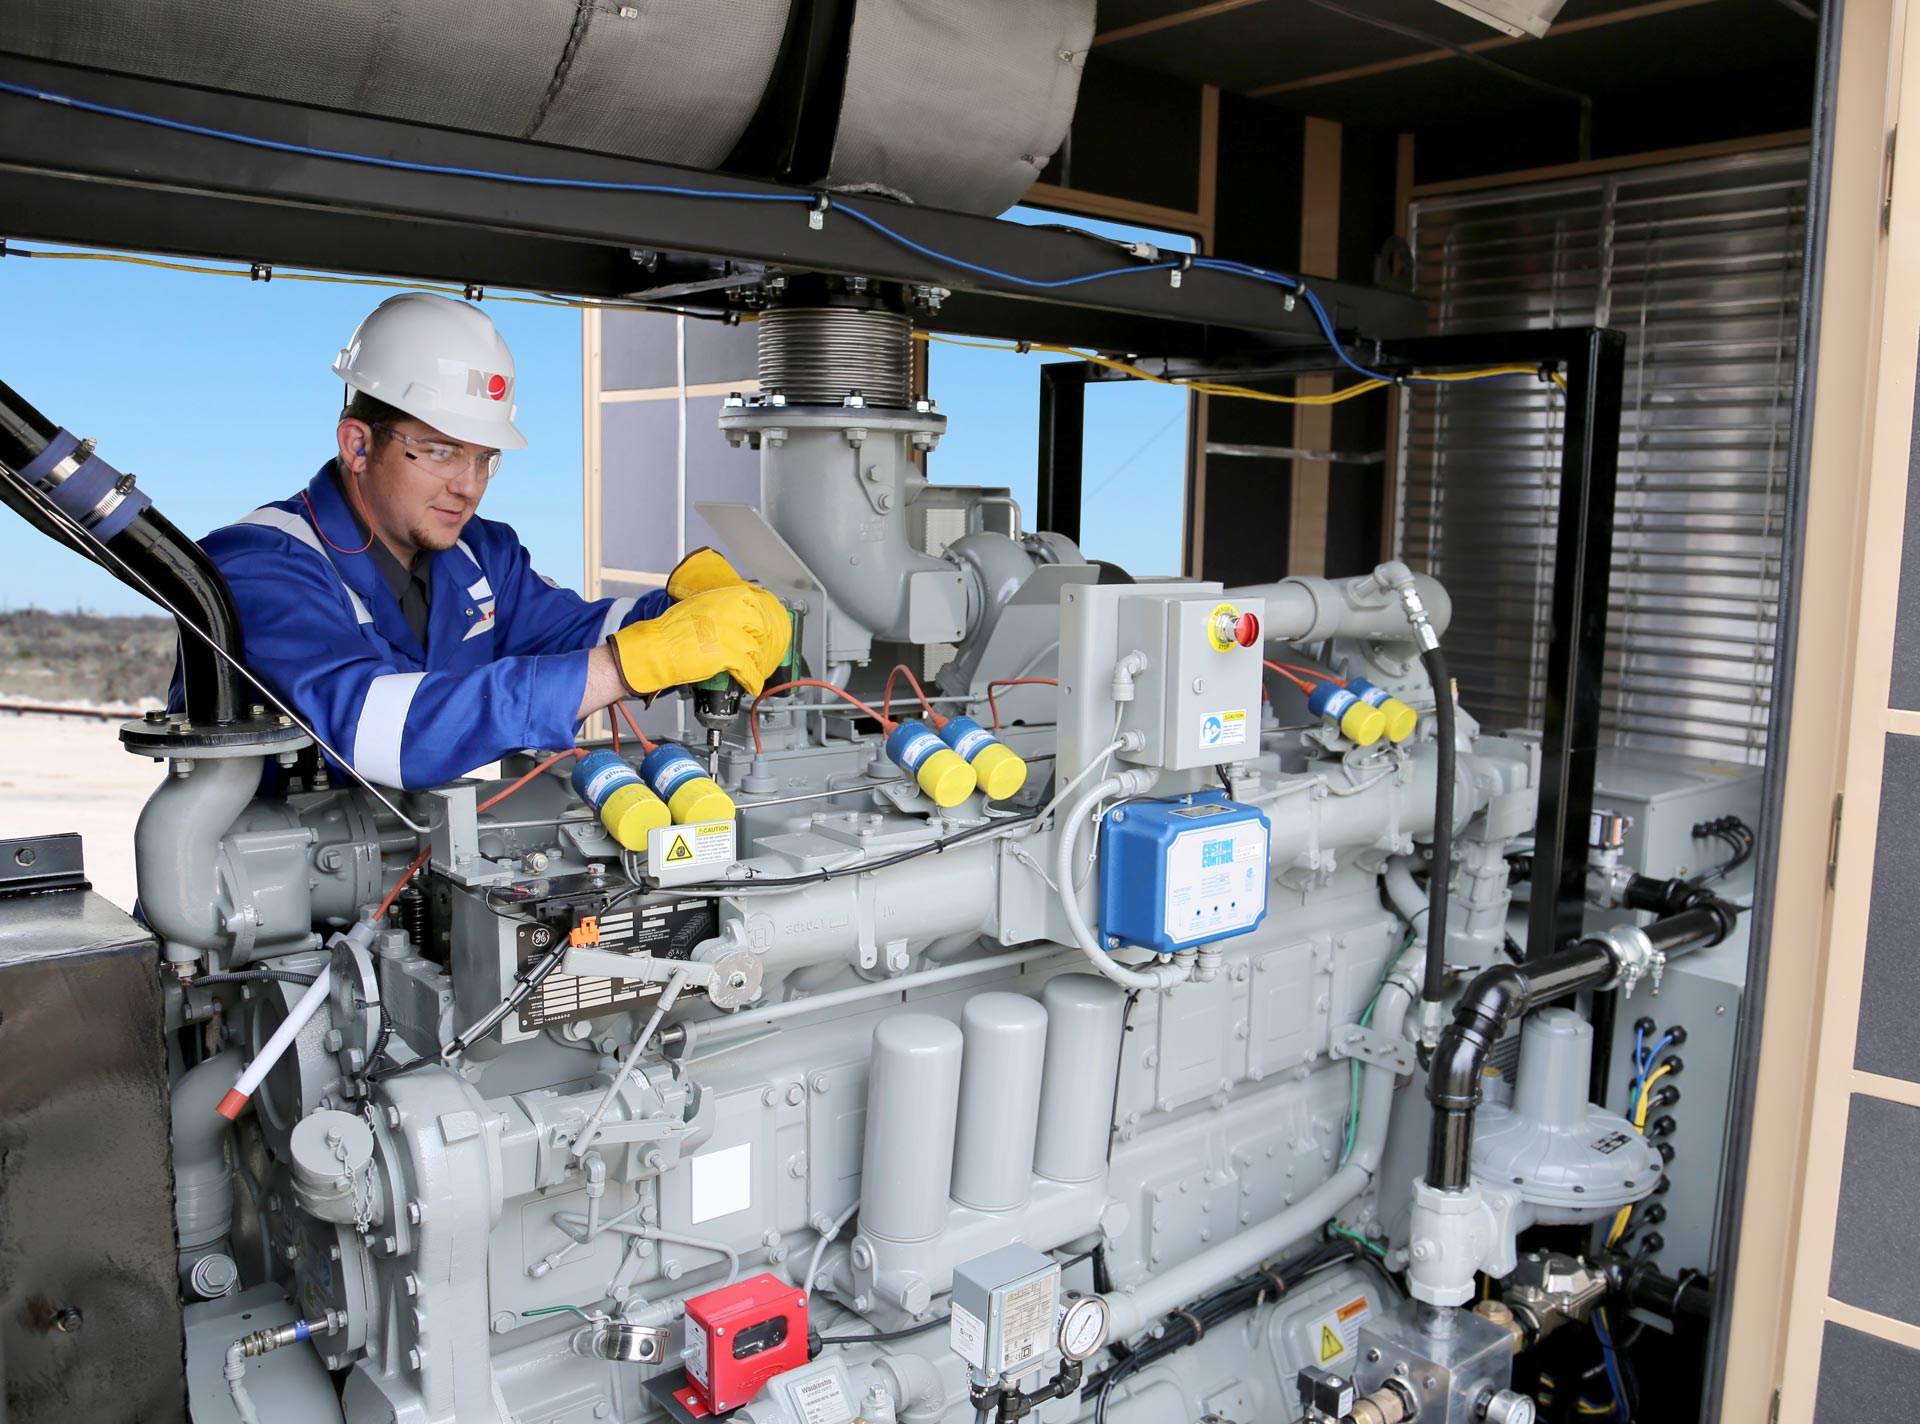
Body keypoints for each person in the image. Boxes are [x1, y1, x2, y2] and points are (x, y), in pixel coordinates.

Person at [196, 292, 786, 789]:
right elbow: (380, 730)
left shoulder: (478, 553)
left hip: (412, 866)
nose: (469, 485)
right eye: (442, 451)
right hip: (266, 883)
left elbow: (573, 633)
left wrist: (689, 614)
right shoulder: (257, 567)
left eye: (484, 458)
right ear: (358, 445)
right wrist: (626, 666)